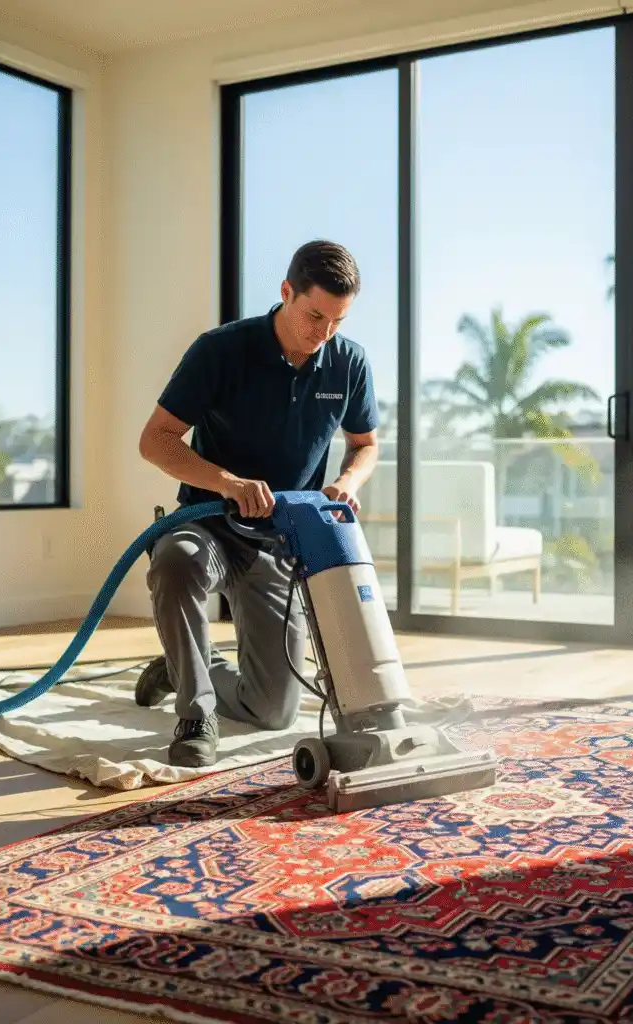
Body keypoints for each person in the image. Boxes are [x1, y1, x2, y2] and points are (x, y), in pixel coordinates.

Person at [135, 240, 380, 768]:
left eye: (337, 321)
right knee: (175, 559)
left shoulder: (348, 363)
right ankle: (195, 711)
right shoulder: (220, 350)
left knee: (272, 711)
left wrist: (348, 482)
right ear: (286, 292)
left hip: (277, 538)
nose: (324, 333)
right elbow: (155, 440)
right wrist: (228, 482)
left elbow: (365, 445)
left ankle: (181, 667)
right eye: (315, 315)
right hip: (209, 523)